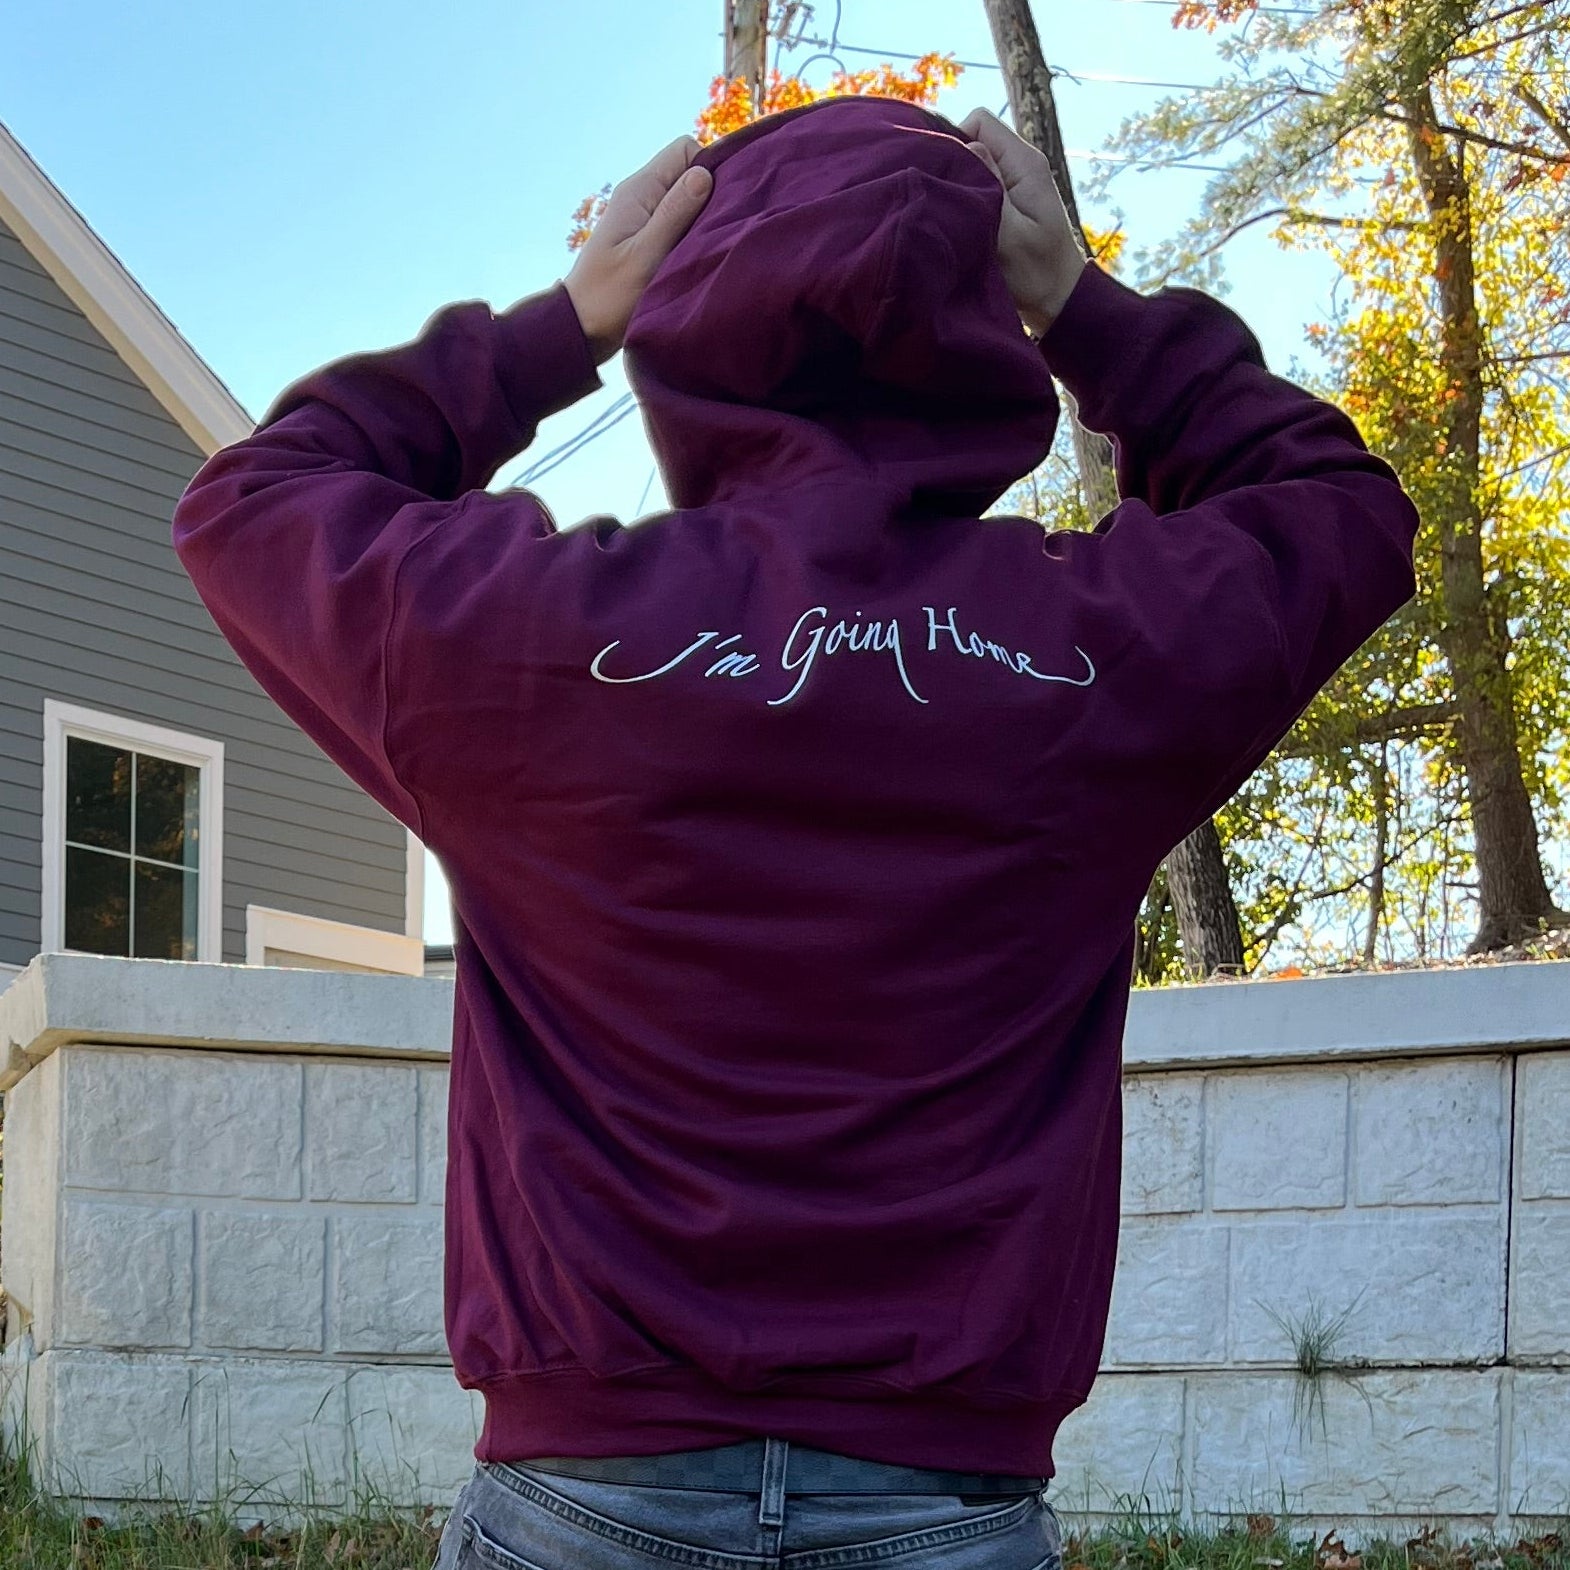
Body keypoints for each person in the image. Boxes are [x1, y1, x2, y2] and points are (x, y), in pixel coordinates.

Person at [171, 94, 1420, 1570]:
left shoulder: (525, 633)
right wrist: (1084, 309)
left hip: (586, 1498)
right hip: (941, 1504)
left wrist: (562, 326)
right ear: (978, 328)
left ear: (687, 324)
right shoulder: (1089, 647)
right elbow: (1336, 513)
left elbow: (252, 502)